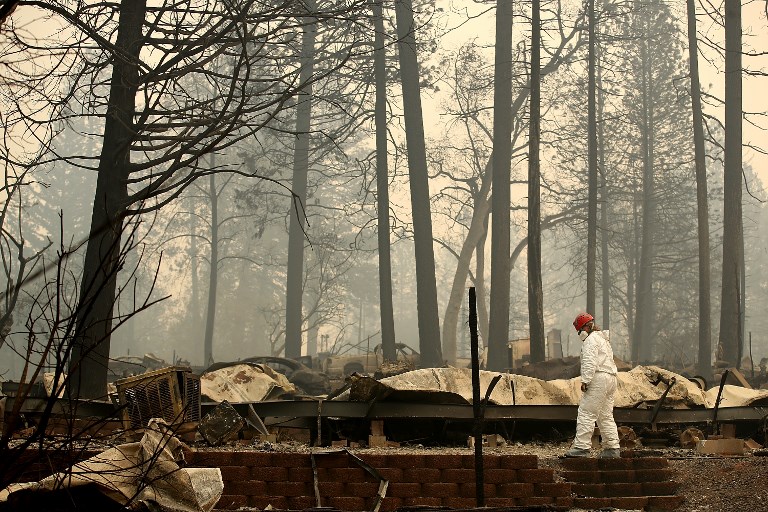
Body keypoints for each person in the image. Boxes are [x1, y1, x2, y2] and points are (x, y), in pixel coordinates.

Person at [564, 313, 621, 458]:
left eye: (579, 330)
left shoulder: (590, 340)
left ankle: (581, 448)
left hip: (599, 379)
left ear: (586, 327)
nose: (579, 334)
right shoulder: (603, 339)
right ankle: (612, 448)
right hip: (611, 378)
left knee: (586, 412)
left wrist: (586, 380)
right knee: (605, 415)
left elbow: (590, 362)